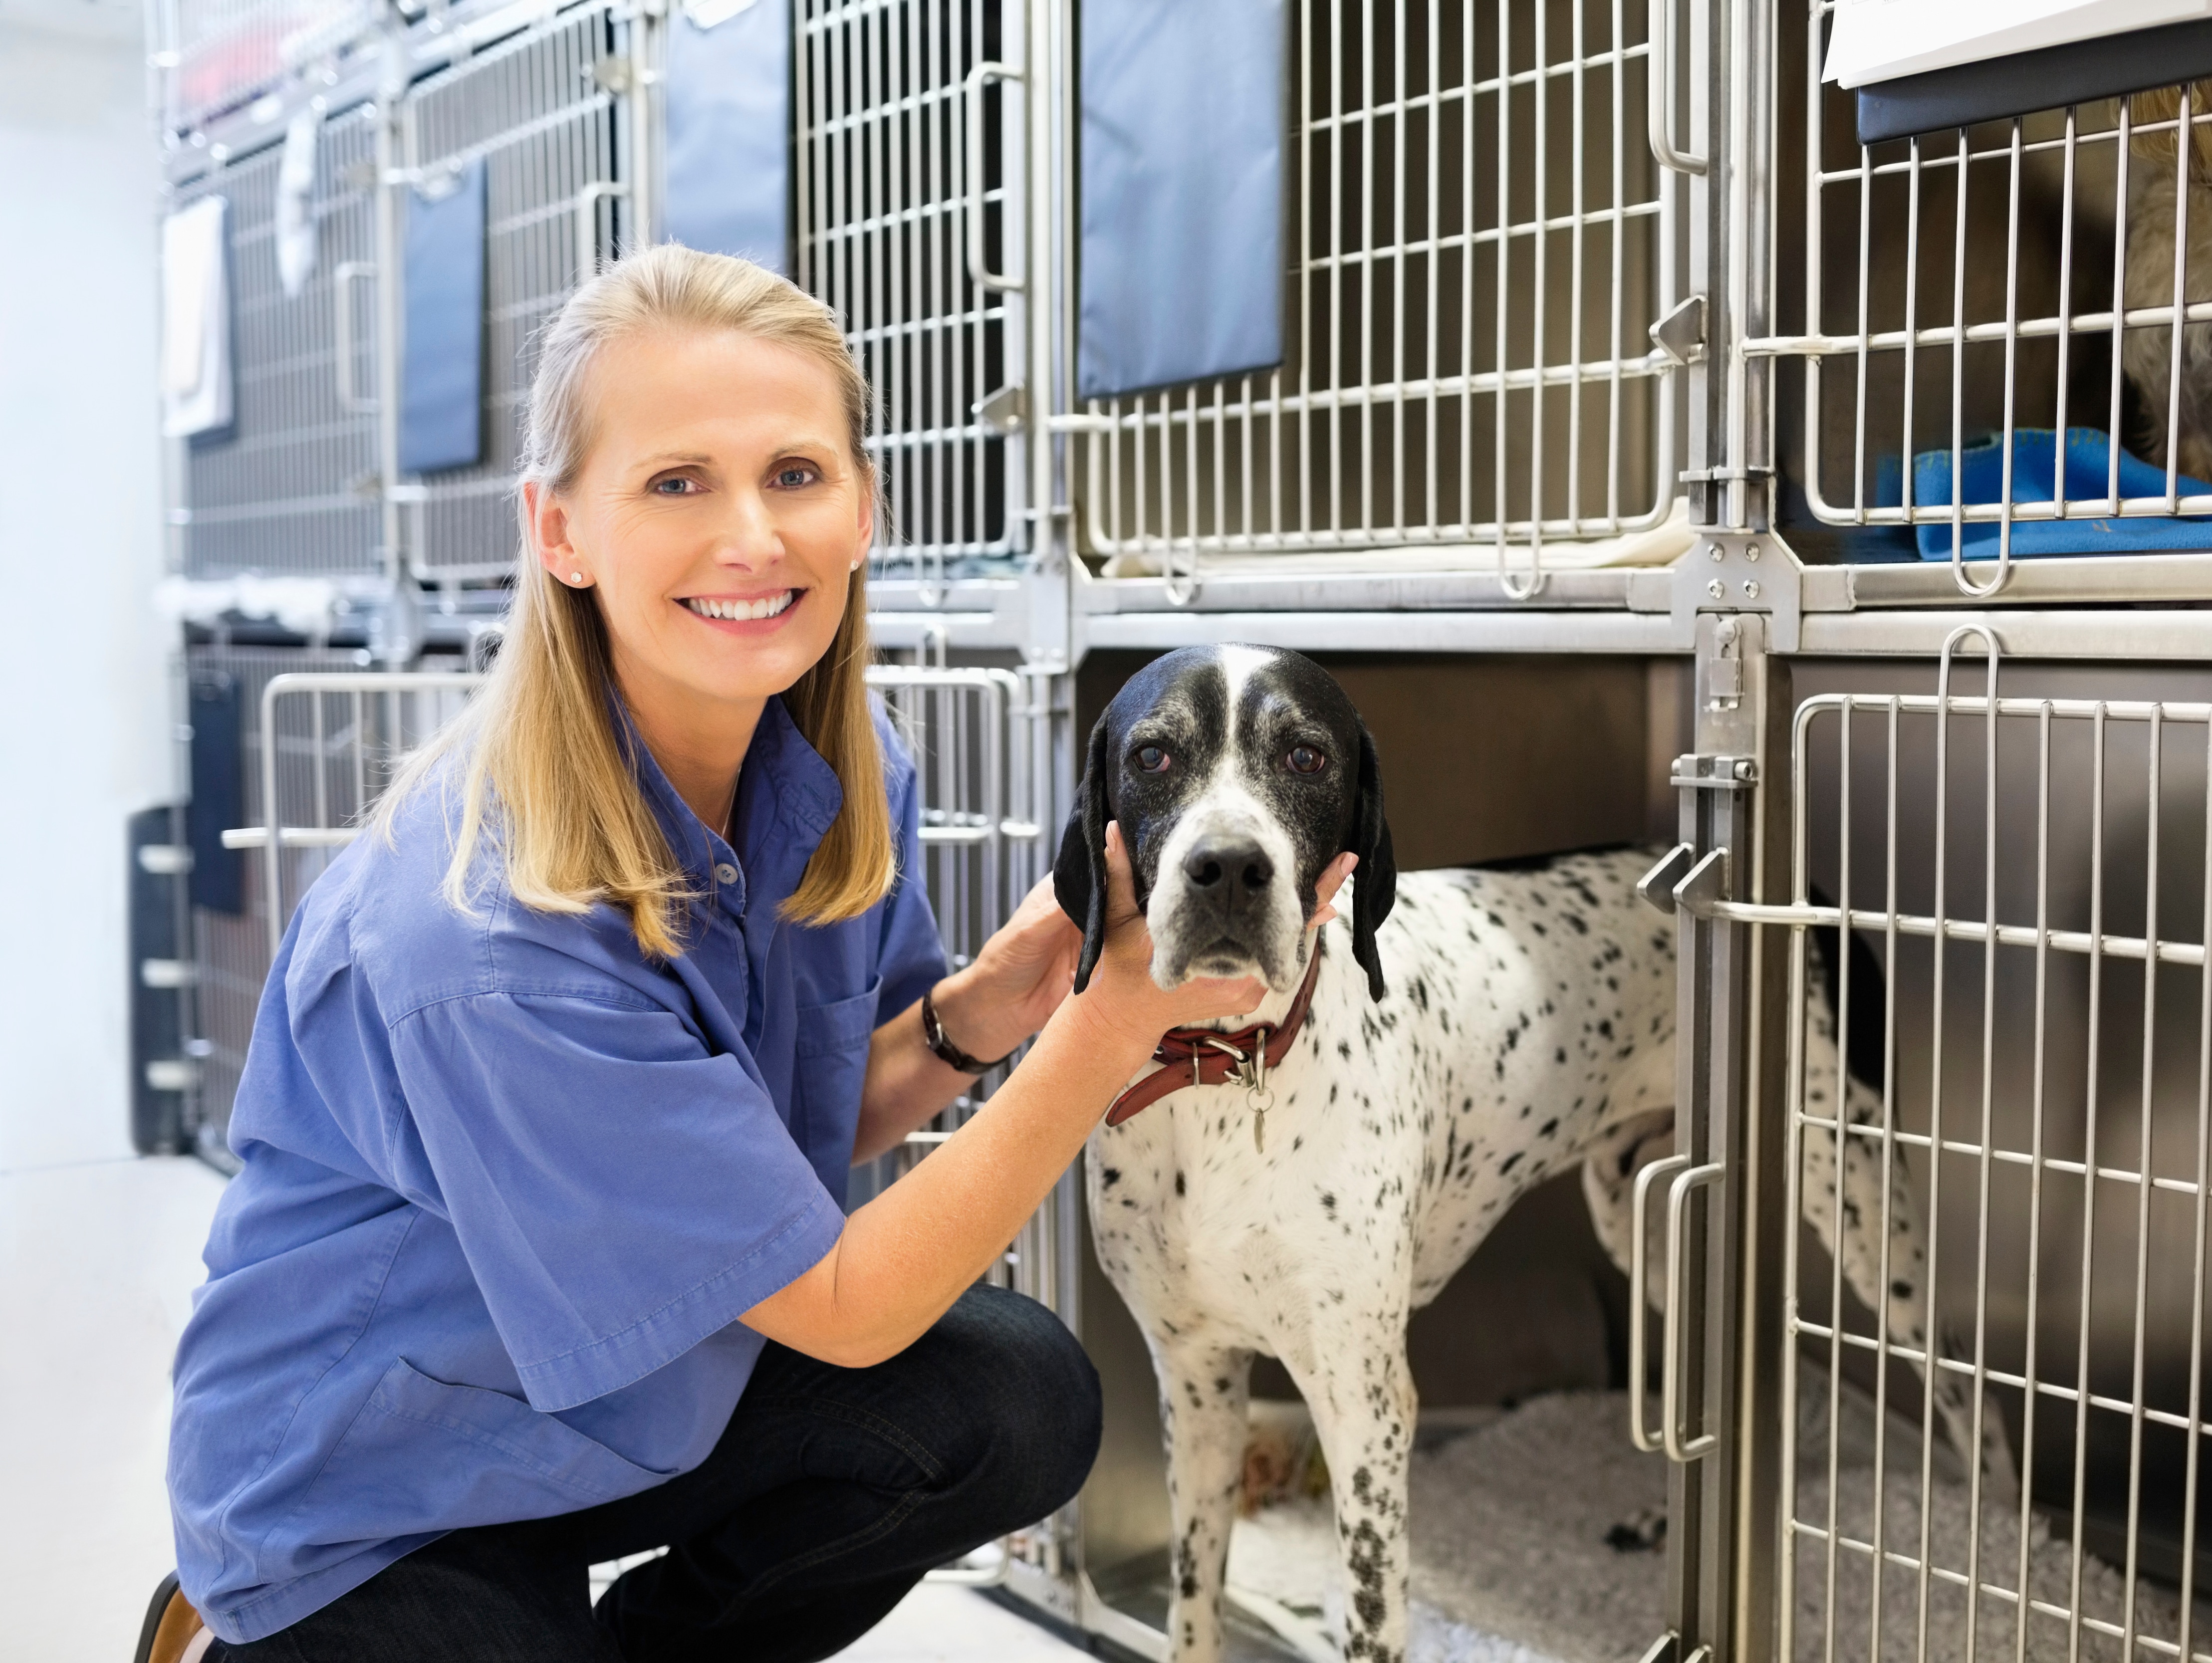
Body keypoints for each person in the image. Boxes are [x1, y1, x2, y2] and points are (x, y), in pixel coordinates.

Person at [156, 244, 1350, 1662]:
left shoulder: (836, 773)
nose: (752, 538)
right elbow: (842, 1311)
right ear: (559, 531)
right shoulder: (485, 936)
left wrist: (983, 1013)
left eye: (795, 474)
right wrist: (1105, 1028)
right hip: (381, 1482)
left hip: (621, 1396)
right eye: (676, 483)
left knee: (1015, 1399)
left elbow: (774, 1137)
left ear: (864, 510)